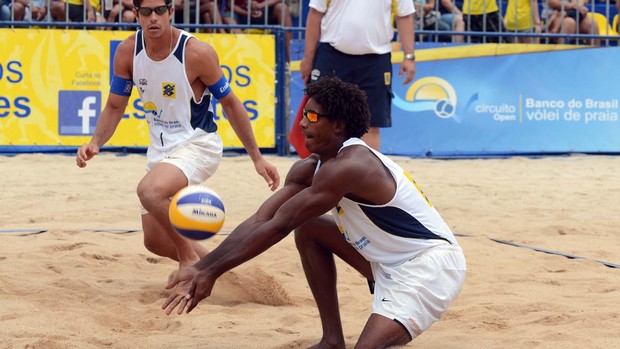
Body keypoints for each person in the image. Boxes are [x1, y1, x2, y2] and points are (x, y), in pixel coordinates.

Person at [163, 77, 467, 348]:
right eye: (303, 114)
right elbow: (262, 219)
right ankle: (332, 340)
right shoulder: (311, 167)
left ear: (338, 125)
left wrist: (213, 272)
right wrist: (202, 267)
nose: (302, 124)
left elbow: (278, 227)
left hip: (427, 268)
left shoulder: (351, 165)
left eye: (311, 116)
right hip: (386, 261)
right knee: (309, 228)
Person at [75, 0, 280, 292]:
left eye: (160, 10)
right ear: (136, 15)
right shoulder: (127, 51)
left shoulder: (196, 52)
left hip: (198, 144)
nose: (154, 17)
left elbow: (232, 105)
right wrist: (95, 142)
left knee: (149, 191)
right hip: (161, 150)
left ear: (172, 11)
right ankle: (215, 269)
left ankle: (187, 262)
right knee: (155, 240)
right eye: (146, 12)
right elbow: (114, 106)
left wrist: (257, 158)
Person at [300, 0, 416, 151]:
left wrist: (409, 56)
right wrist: (308, 59)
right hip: (332, 54)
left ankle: (366, 172)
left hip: (375, 58)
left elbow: (404, 16)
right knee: (320, 120)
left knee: (370, 124)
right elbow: (315, 13)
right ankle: (321, 171)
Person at [228, 0, 294, 61]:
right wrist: (247, 13)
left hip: (264, 10)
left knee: (282, 8)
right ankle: (247, 48)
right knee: (228, 17)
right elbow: (230, 4)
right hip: (240, 14)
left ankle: (289, 59)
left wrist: (260, 5)